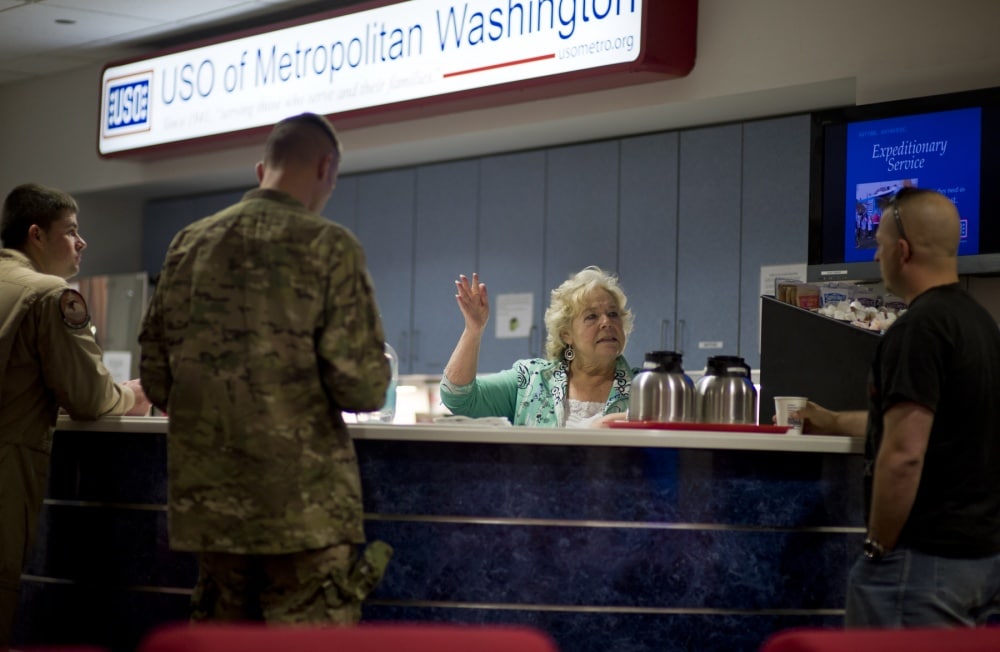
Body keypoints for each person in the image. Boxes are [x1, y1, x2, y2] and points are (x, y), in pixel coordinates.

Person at [138, 113, 392, 624]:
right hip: (303, 515)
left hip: (211, 514)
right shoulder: (329, 246)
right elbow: (363, 387)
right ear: (326, 167)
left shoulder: (188, 244)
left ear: (262, 169)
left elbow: (157, 380)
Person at [793, 187, 1000, 627]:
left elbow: (905, 453)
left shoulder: (918, 330)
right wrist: (831, 421)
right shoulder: (981, 325)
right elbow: (937, 423)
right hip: (983, 562)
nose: (875, 258)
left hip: (921, 563)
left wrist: (877, 548)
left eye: (881, 247)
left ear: (902, 251)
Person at [0, 182, 151, 646]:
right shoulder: (50, 295)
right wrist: (133, 394)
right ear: (36, 236)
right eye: (70, 231)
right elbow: (90, 398)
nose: (81, 242)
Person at [441, 266, 635, 427]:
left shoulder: (647, 389)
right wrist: (473, 329)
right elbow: (458, 397)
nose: (606, 322)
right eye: (592, 316)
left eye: (613, 314)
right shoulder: (530, 380)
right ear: (566, 333)